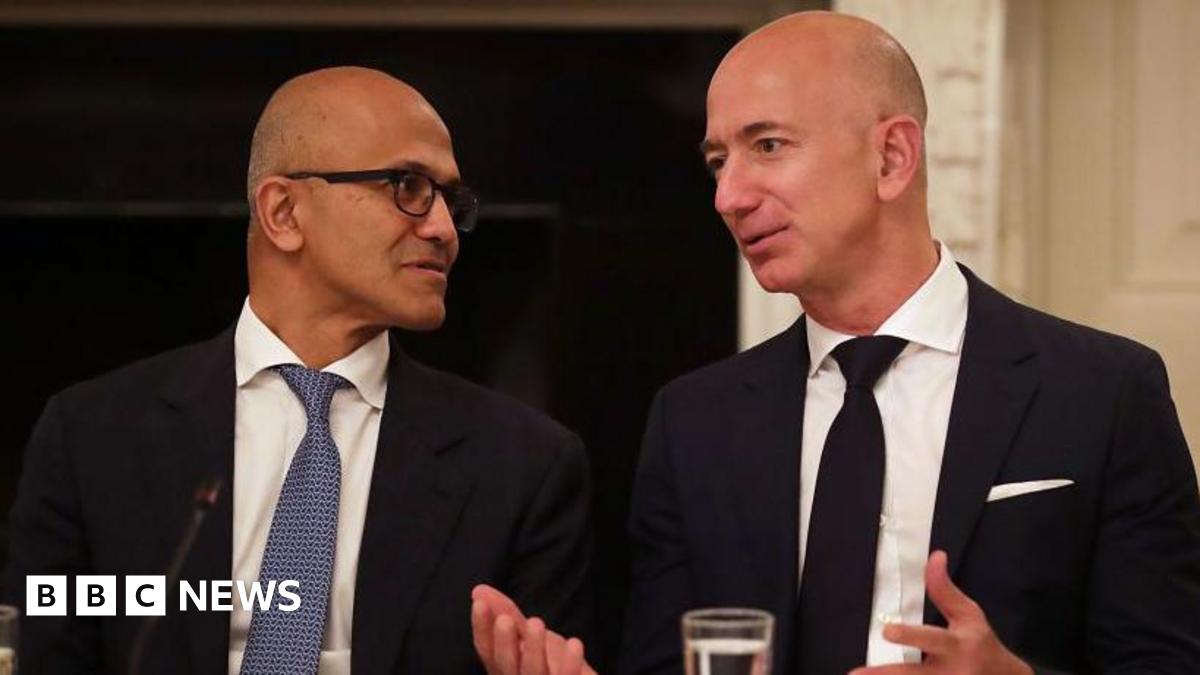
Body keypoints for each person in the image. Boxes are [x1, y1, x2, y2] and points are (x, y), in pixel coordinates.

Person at [471, 11, 1200, 675]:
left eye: (768, 145)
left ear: (892, 158)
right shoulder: (694, 422)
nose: (730, 196)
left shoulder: (1103, 393)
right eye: (719, 162)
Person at [4, 66, 592, 675]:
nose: (444, 229)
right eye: (407, 185)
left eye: (451, 200)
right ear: (284, 212)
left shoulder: (525, 465)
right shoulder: (93, 435)